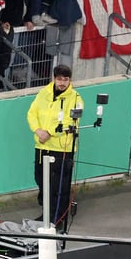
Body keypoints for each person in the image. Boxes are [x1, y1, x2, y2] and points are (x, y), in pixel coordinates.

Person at [27, 64, 83, 230]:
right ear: (54, 78)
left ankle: (57, 218)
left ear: (69, 80)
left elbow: (71, 122)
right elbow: (31, 113)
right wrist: (38, 130)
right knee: (41, 180)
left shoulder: (76, 99)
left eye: (66, 80)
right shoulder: (44, 93)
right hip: (42, 146)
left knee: (60, 185)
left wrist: (49, 133)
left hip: (62, 149)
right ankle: (47, 214)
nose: (62, 83)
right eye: (59, 79)